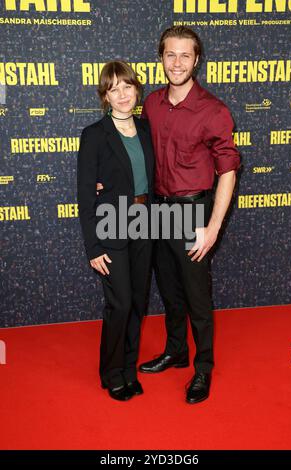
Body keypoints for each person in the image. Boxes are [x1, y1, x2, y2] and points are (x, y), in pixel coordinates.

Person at [138, 26, 240, 404]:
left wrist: (212, 227)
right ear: (160, 57)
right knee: (169, 290)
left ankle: (203, 368)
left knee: (197, 296)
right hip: (158, 210)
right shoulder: (151, 103)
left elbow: (227, 170)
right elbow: (139, 154)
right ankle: (176, 351)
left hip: (192, 209)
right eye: (170, 54)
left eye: (185, 55)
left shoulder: (214, 110)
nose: (177, 62)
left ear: (197, 60)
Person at [77, 60, 154, 401]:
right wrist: (93, 247)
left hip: (146, 221)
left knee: (138, 302)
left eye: (127, 86)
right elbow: (83, 194)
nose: (123, 94)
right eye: (114, 88)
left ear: (137, 89)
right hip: (111, 223)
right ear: (105, 96)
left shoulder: (148, 129)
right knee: (119, 303)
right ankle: (111, 373)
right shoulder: (94, 135)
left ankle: (128, 366)